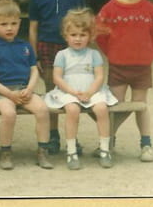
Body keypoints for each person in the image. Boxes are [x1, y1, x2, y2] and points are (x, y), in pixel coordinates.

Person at [95, 0, 153, 162]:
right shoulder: (109, 9)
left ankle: (146, 144)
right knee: (115, 106)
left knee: (140, 106)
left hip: (142, 67)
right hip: (118, 67)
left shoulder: (150, 9)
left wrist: (149, 54)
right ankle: (108, 142)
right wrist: (113, 54)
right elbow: (100, 34)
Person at [27, 0, 86, 155]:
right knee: (53, 92)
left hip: (71, 49)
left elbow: (84, 25)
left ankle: (73, 137)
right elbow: (33, 28)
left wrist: (83, 51)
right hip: (47, 46)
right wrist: (33, 56)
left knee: (72, 93)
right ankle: (53, 135)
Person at [0, 0, 51, 170]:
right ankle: (6, 152)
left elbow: (34, 69)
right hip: (3, 92)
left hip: (23, 90)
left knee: (43, 110)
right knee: (9, 114)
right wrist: (8, 94)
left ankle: (43, 151)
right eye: (4, 24)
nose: (9, 28)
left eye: (13, 23)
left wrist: (30, 88)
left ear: (20, 23)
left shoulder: (25, 46)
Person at [44, 9, 117, 170]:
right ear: (66, 35)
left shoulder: (94, 54)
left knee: (101, 109)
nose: (78, 39)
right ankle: (71, 151)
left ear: (90, 36)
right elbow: (57, 78)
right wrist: (72, 92)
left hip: (91, 90)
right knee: (72, 109)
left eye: (83, 35)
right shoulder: (62, 55)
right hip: (68, 91)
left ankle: (105, 149)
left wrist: (90, 92)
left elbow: (99, 76)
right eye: (73, 35)